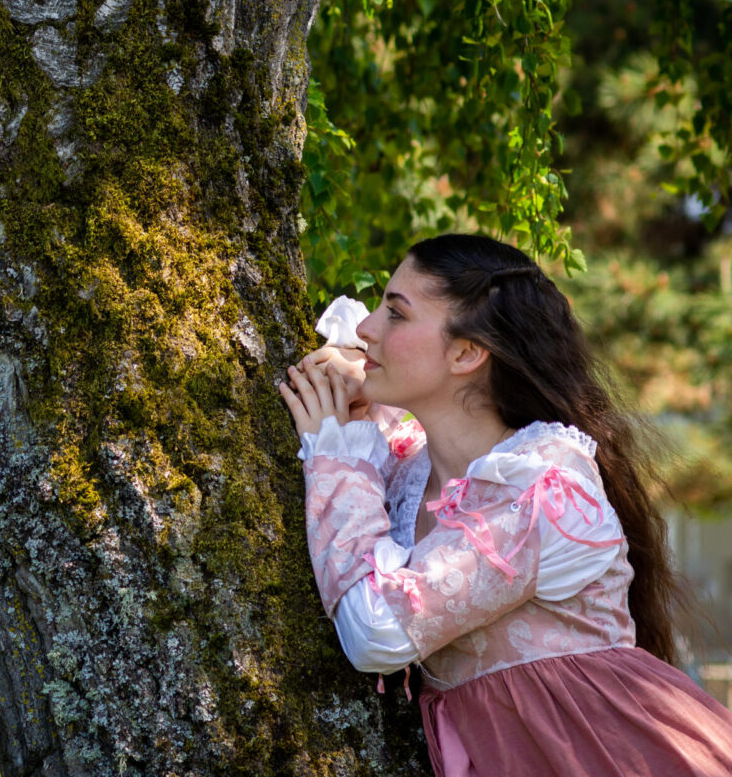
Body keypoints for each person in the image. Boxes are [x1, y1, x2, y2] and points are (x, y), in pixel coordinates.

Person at [280, 234, 732, 776]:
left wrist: (334, 454)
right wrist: (354, 396)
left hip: (603, 756)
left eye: (396, 314)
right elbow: (382, 430)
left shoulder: (539, 483)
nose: (365, 328)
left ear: (467, 352)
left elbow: (378, 632)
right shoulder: (414, 473)